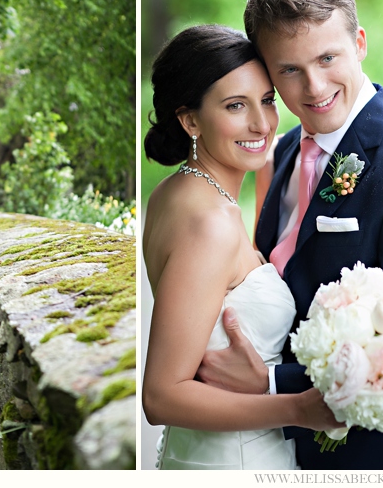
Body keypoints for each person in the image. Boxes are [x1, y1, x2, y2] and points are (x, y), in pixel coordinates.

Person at [196, 0, 383, 470]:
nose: (315, 86)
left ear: (359, 43)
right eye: (289, 70)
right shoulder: (279, 153)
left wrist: (269, 383)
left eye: (327, 58)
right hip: (282, 453)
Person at [142, 24, 345, 470]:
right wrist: (296, 408)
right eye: (236, 106)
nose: (262, 123)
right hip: (234, 460)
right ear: (190, 119)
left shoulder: (175, 194)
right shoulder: (209, 222)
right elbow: (161, 395)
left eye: (267, 101)